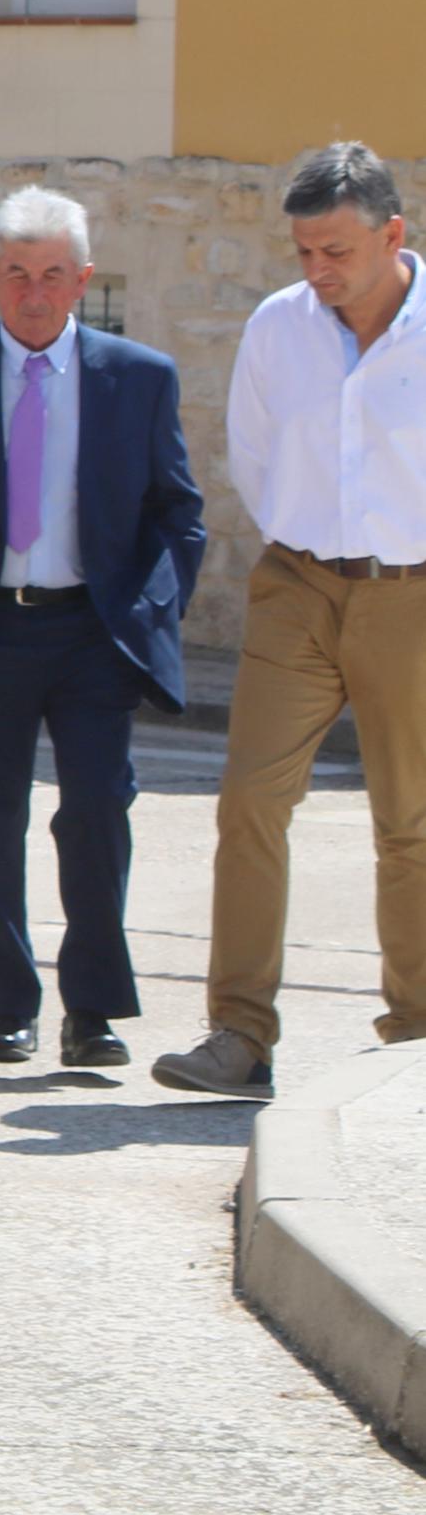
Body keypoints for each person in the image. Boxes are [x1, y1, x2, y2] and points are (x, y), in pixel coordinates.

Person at [0, 190, 205, 1070]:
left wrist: (153, 610)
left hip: (90, 632)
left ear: (82, 281)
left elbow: (179, 513)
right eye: (16, 273)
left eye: (52, 273)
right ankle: (9, 1006)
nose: (33, 291)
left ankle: (90, 1010)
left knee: (96, 812)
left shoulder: (136, 377)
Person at [157, 143, 426, 1100]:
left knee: (411, 821)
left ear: (393, 235)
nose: (317, 271)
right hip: (298, 582)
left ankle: (415, 1042)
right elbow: (255, 451)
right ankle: (237, 1034)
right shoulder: (279, 326)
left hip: (413, 591)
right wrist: (308, 544)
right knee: (250, 802)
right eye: (303, 251)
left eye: (337, 250)